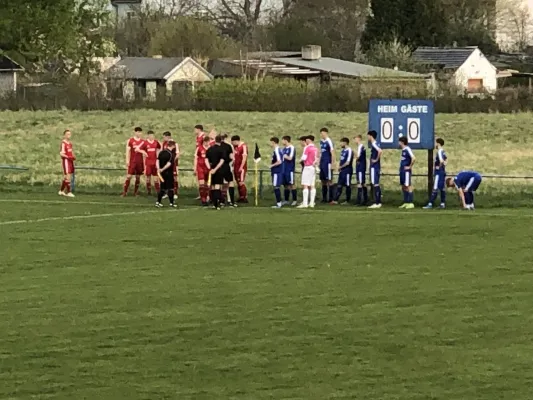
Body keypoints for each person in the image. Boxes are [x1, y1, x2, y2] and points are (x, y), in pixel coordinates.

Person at [423, 138, 447, 209]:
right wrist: (444, 164)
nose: (435, 144)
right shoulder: (443, 151)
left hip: (438, 172)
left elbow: (442, 160)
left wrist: (439, 166)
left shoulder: (439, 151)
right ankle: (442, 204)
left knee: (435, 187)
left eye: (436, 143)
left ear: (438, 143)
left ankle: (430, 203)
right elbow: (446, 159)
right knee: (442, 188)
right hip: (442, 172)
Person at [122, 127, 144, 197]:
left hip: (139, 161)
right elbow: (127, 151)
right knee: (129, 176)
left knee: (138, 177)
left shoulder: (142, 141)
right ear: (135, 132)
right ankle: (124, 192)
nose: (139, 133)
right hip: (132, 161)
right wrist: (127, 160)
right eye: (137, 132)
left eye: (140, 132)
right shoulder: (130, 141)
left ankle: (135, 192)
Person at [297, 135, 318, 208]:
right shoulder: (315, 148)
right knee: (312, 185)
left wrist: (299, 161)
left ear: (309, 140)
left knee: (305, 185)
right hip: (313, 167)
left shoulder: (307, 148)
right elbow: (317, 158)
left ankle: (305, 203)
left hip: (307, 166)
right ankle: (312, 203)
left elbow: (304, 157)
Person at [206, 135, 226, 210]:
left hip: (211, 169)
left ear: (215, 140)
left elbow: (206, 160)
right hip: (219, 170)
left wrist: (210, 168)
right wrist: (216, 169)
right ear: (221, 141)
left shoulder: (210, 149)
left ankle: (214, 204)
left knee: (213, 186)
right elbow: (222, 161)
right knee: (217, 186)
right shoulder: (222, 150)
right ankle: (217, 204)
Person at [155, 140, 177, 208]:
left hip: (162, 174)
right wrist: (163, 169)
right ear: (172, 146)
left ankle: (158, 202)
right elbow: (169, 164)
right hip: (168, 173)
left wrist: (158, 169)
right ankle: (171, 203)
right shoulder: (171, 154)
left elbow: (157, 160)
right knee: (170, 188)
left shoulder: (161, 152)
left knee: (162, 188)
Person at [138, 130, 161, 195]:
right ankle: (149, 192)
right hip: (148, 163)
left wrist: (158, 155)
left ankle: (158, 192)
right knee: (148, 178)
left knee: (156, 178)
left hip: (155, 163)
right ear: (148, 136)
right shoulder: (145, 143)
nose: (152, 137)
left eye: (152, 135)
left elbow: (160, 148)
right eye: (150, 135)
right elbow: (137, 149)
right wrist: (144, 152)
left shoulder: (156, 142)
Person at [333, 137, 353, 204]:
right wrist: (339, 167)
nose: (340, 144)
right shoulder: (343, 151)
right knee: (339, 185)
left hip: (347, 171)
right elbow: (342, 160)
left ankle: (348, 200)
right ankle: (335, 200)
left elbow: (348, 162)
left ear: (345, 143)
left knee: (347, 185)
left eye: (341, 143)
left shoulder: (349, 150)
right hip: (342, 171)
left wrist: (341, 167)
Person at [319, 127, 336, 203]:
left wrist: (333, 163)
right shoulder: (321, 141)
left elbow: (332, 152)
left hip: (328, 162)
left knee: (329, 180)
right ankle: (324, 198)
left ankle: (331, 198)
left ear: (326, 133)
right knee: (323, 180)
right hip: (322, 162)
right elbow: (321, 152)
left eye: (322, 133)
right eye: (321, 133)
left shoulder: (329, 141)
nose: (322, 135)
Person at [398, 136, 416, 209]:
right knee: (403, 186)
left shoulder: (408, 149)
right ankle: (406, 202)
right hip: (402, 170)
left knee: (408, 185)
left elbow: (413, 158)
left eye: (399, 142)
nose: (398, 143)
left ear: (402, 142)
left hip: (406, 171)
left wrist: (409, 166)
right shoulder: (403, 150)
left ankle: (411, 202)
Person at [161, 131, 179, 200]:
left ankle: (175, 193)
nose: (163, 138)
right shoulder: (164, 143)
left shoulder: (175, 143)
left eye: (164, 137)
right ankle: (167, 192)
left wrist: (172, 160)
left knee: (174, 178)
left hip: (173, 164)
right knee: (166, 177)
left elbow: (178, 154)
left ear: (168, 137)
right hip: (165, 164)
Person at [367, 130, 383, 209]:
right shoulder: (376, 143)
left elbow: (380, 151)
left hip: (374, 166)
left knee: (375, 183)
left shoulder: (374, 143)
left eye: (368, 136)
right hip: (376, 166)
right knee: (376, 183)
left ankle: (377, 202)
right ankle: (378, 201)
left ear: (370, 136)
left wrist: (376, 159)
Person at [232, 135, 249, 203]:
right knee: (238, 182)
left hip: (241, 167)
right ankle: (241, 196)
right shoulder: (235, 147)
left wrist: (241, 166)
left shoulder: (243, 146)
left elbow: (244, 157)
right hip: (235, 167)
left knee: (241, 182)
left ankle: (244, 197)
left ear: (236, 141)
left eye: (233, 142)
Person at [59, 129, 76, 198]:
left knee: (67, 176)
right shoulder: (63, 143)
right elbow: (61, 153)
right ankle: (68, 192)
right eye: (67, 134)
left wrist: (72, 157)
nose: (69, 135)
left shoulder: (70, 144)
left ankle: (61, 191)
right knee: (68, 176)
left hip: (70, 160)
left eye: (70, 134)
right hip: (66, 160)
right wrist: (68, 157)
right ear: (65, 135)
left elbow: (70, 152)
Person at [281, 135, 297, 206]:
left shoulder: (292, 148)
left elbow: (290, 158)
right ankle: (286, 200)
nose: (282, 142)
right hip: (284, 169)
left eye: (282, 140)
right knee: (285, 185)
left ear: (285, 140)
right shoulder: (284, 149)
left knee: (292, 184)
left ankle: (294, 200)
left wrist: (284, 156)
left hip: (289, 169)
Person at [196, 136, 211, 206]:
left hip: (208, 168)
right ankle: (203, 199)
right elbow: (196, 157)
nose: (207, 143)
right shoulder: (199, 148)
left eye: (208, 142)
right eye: (205, 142)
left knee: (207, 184)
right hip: (200, 167)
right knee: (201, 184)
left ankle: (207, 196)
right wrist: (194, 166)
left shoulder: (211, 148)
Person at [269, 137, 284, 208]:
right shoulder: (279, 150)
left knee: (276, 187)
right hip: (277, 171)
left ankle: (279, 203)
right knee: (276, 186)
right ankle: (279, 202)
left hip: (277, 171)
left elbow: (280, 161)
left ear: (273, 142)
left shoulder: (277, 150)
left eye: (271, 142)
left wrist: (272, 165)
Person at [354, 134, 368, 206]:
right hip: (361, 166)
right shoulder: (361, 147)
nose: (355, 140)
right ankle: (365, 199)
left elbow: (358, 157)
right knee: (362, 182)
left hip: (360, 166)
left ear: (359, 138)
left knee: (360, 182)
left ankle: (360, 200)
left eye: (355, 138)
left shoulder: (360, 147)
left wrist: (355, 155)